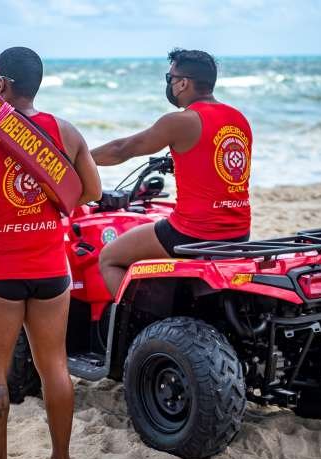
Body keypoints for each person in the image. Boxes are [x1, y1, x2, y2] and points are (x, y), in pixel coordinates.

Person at [0, 47, 101, 459]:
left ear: (1, 84)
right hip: (51, 270)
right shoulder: (64, 132)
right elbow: (89, 191)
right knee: (54, 365)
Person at [91, 48, 252, 296]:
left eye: (170, 79)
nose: (169, 84)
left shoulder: (181, 121)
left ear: (183, 83)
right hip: (239, 234)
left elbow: (122, 149)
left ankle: (139, 329)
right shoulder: (238, 119)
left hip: (192, 233)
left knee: (109, 257)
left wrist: (79, 159)